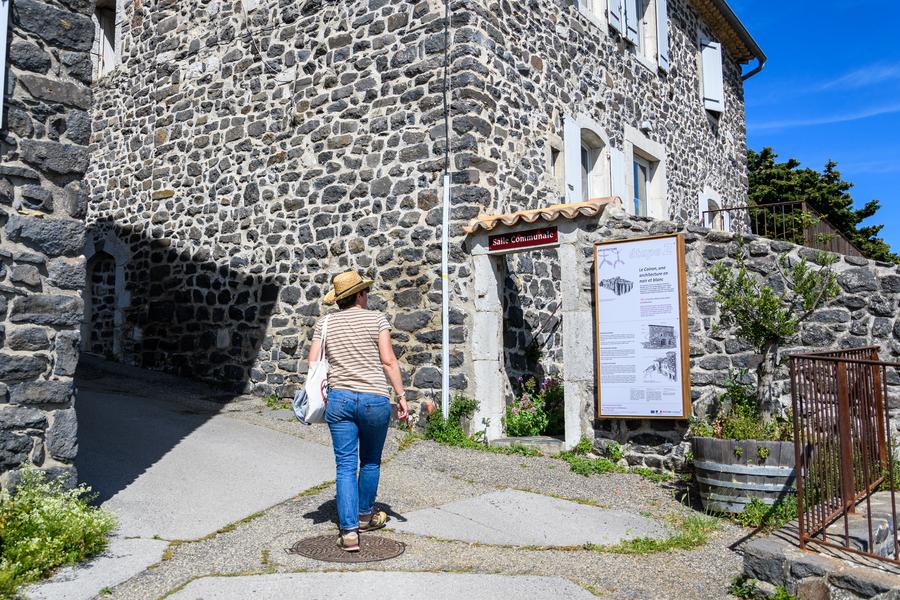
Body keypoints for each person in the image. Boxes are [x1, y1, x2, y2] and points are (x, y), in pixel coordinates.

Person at [307, 270, 408, 552]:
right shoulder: (377, 319)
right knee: (371, 461)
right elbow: (388, 361)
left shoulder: (325, 323)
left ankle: (349, 532)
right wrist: (401, 396)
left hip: (339, 399)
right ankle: (365, 516)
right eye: (366, 292)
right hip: (375, 399)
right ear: (360, 295)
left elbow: (313, 361)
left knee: (345, 465)